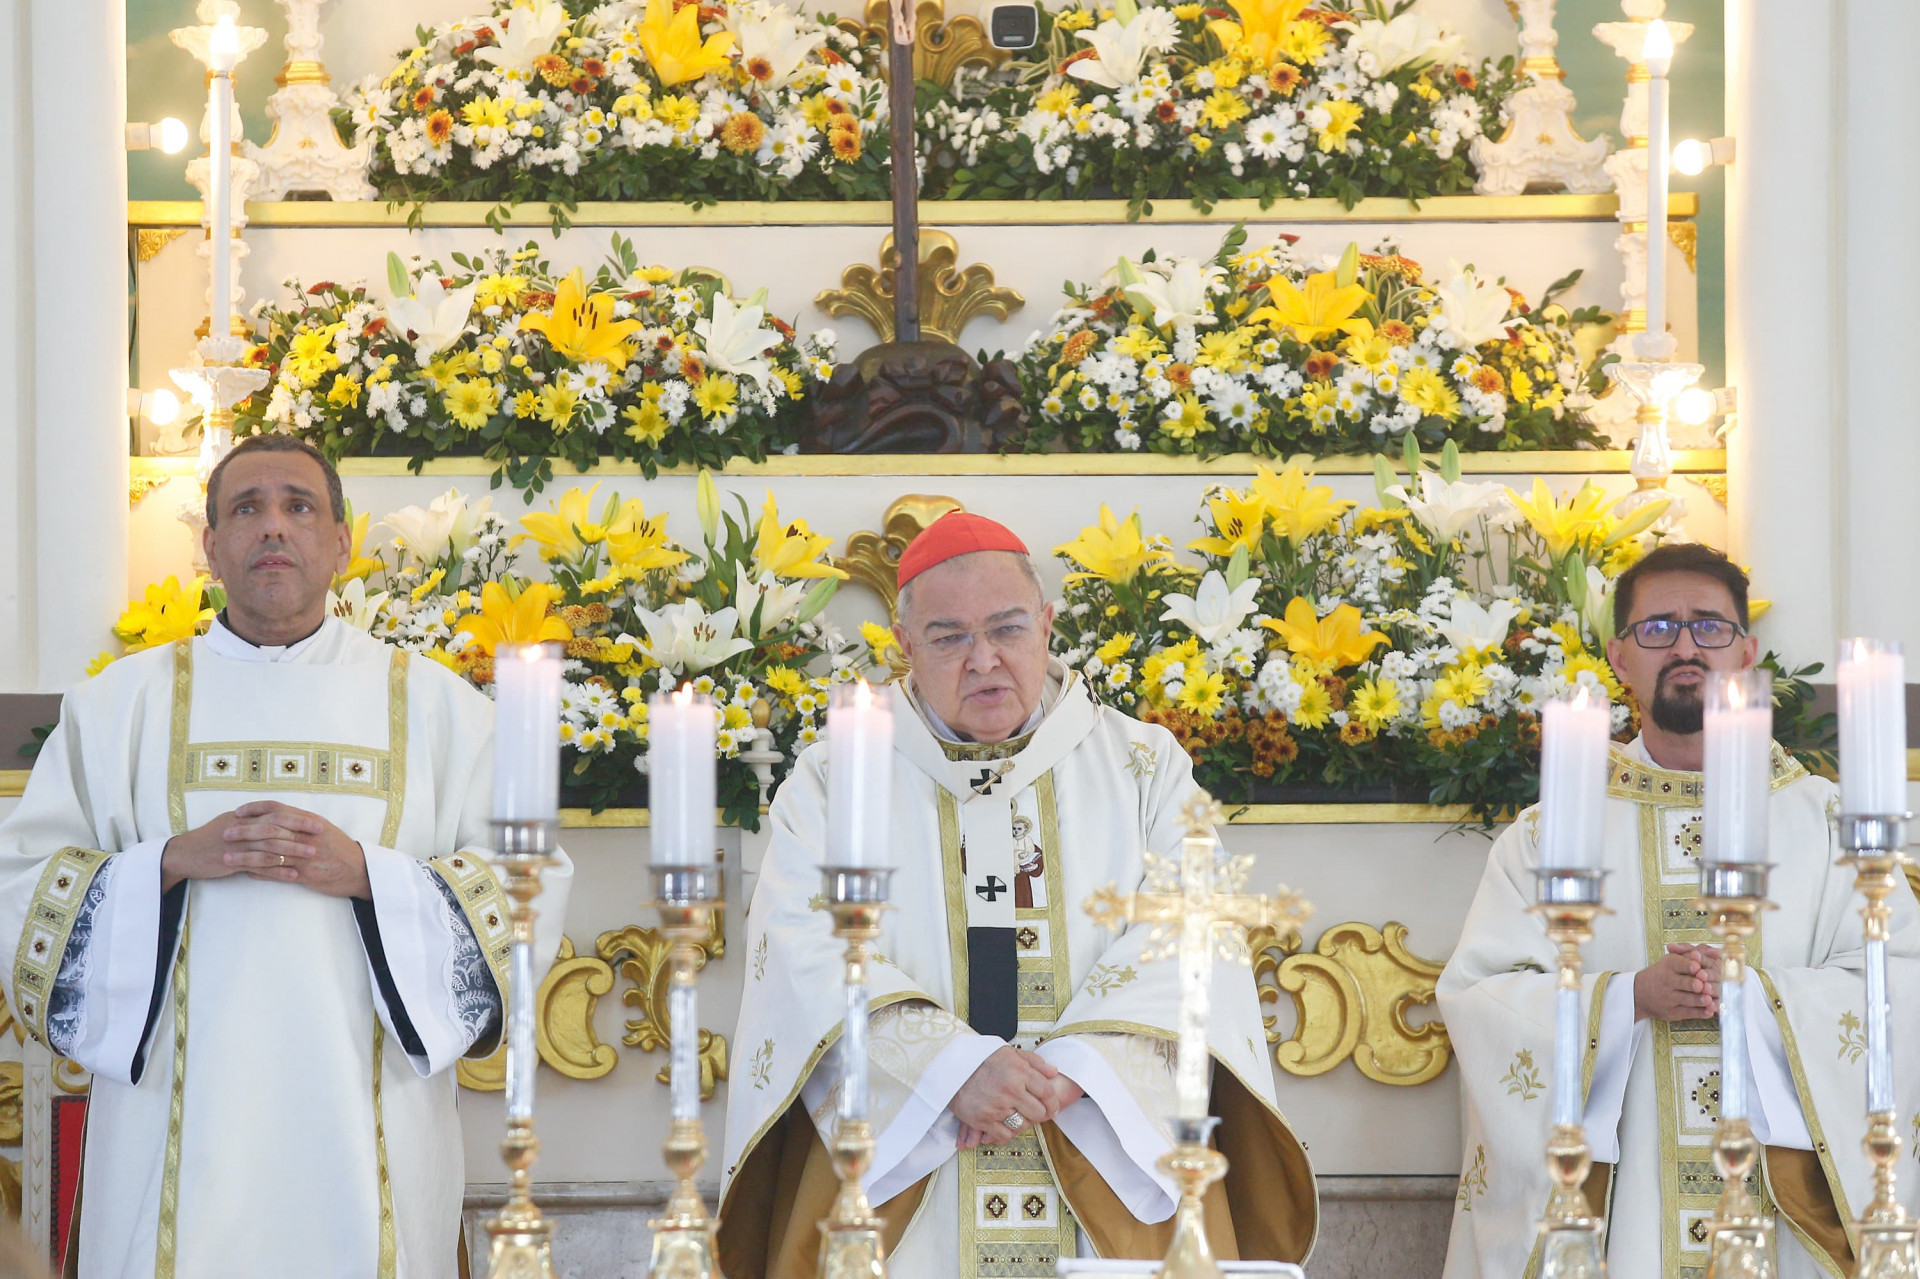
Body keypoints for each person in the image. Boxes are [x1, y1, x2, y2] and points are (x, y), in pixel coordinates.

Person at [0, 435, 572, 1277]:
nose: (274, 527)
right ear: (212, 545)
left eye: (299, 506)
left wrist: (369, 877)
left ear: (342, 540)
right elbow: (24, 890)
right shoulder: (115, 708)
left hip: (369, 1128)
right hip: (171, 1129)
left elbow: (525, 883)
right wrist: (166, 862)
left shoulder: (443, 708)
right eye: (247, 508)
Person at [719, 511, 1317, 1279]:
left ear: (1045, 623)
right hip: (911, 1191)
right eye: (948, 637)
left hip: (1096, 1145)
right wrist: (950, 1070)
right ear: (904, 646)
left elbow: (1191, 922)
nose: (984, 659)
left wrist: (1077, 1068)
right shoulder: (838, 777)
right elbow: (800, 944)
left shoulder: (1142, 767)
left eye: (1007, 628)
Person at [1437, 542, 1920, 1277]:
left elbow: (1901, 981)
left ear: (1748, 651)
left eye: (1710, 626)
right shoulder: (1550, 830)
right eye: (1658, 628)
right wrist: (1626, 997)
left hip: (1784, 1214)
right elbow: (1480, 993)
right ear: (1619, 657)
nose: (1687, 645)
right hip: (1623, 1217)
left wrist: (1757, 999)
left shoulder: (1827, 823)